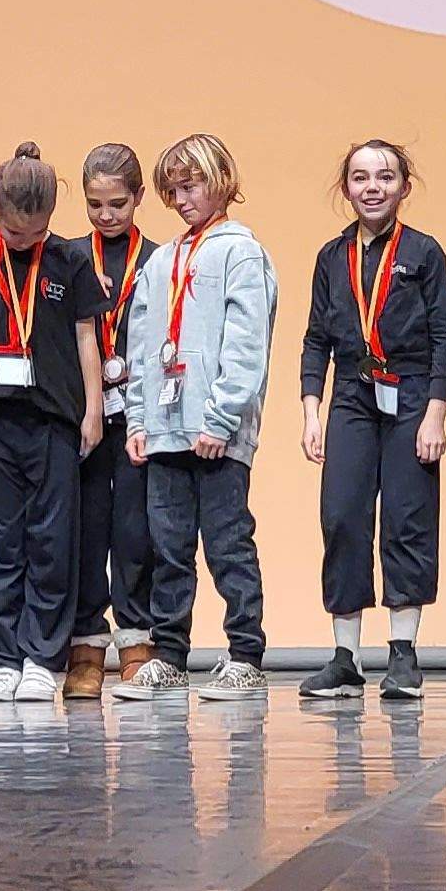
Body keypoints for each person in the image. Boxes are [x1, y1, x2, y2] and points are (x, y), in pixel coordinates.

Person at [109, 133, 275, 702]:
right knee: (168, 547)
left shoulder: (241, 252)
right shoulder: (161, 260)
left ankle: (245, 655)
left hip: (216, 434)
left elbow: (246, 344)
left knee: (228, 544)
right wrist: (137, 422)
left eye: (193, 185)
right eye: (173, 190)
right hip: (163, 430)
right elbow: (140, 345)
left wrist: (222, 418)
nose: (182, 199)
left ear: (221, 179)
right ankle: (170, 655)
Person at [0, 145, 108, 706]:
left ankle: (43, 658)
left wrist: (92, 408)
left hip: (56, 422)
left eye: (34, 234)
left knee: (51, 541)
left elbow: (87, 335)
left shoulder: (69, 261)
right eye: (14, 234)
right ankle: (5, 658)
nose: (23, 243)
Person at [296, 140, 446, 701]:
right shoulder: (330, 257)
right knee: (342, 518)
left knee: (408, 519)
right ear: (346, 189)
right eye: (360, 178)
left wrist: (435, 412)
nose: (372, 187)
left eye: (385, 177)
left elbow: (443, 339)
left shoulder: (424, 252)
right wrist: (312, 411)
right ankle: (344, 658)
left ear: (403, 188)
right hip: (351, 397)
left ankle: (404, 655)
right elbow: (316, 339)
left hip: (410, 395)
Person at [68, 142, 162, 698]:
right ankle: (84, 646)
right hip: (83, 414)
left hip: (137, 411)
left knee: (133, 528)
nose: (106, 216)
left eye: (118, 204)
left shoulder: (159, 258)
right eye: (95, 205)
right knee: (84, 526)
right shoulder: (69, 258)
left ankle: (136, 641)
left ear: (140, 198)